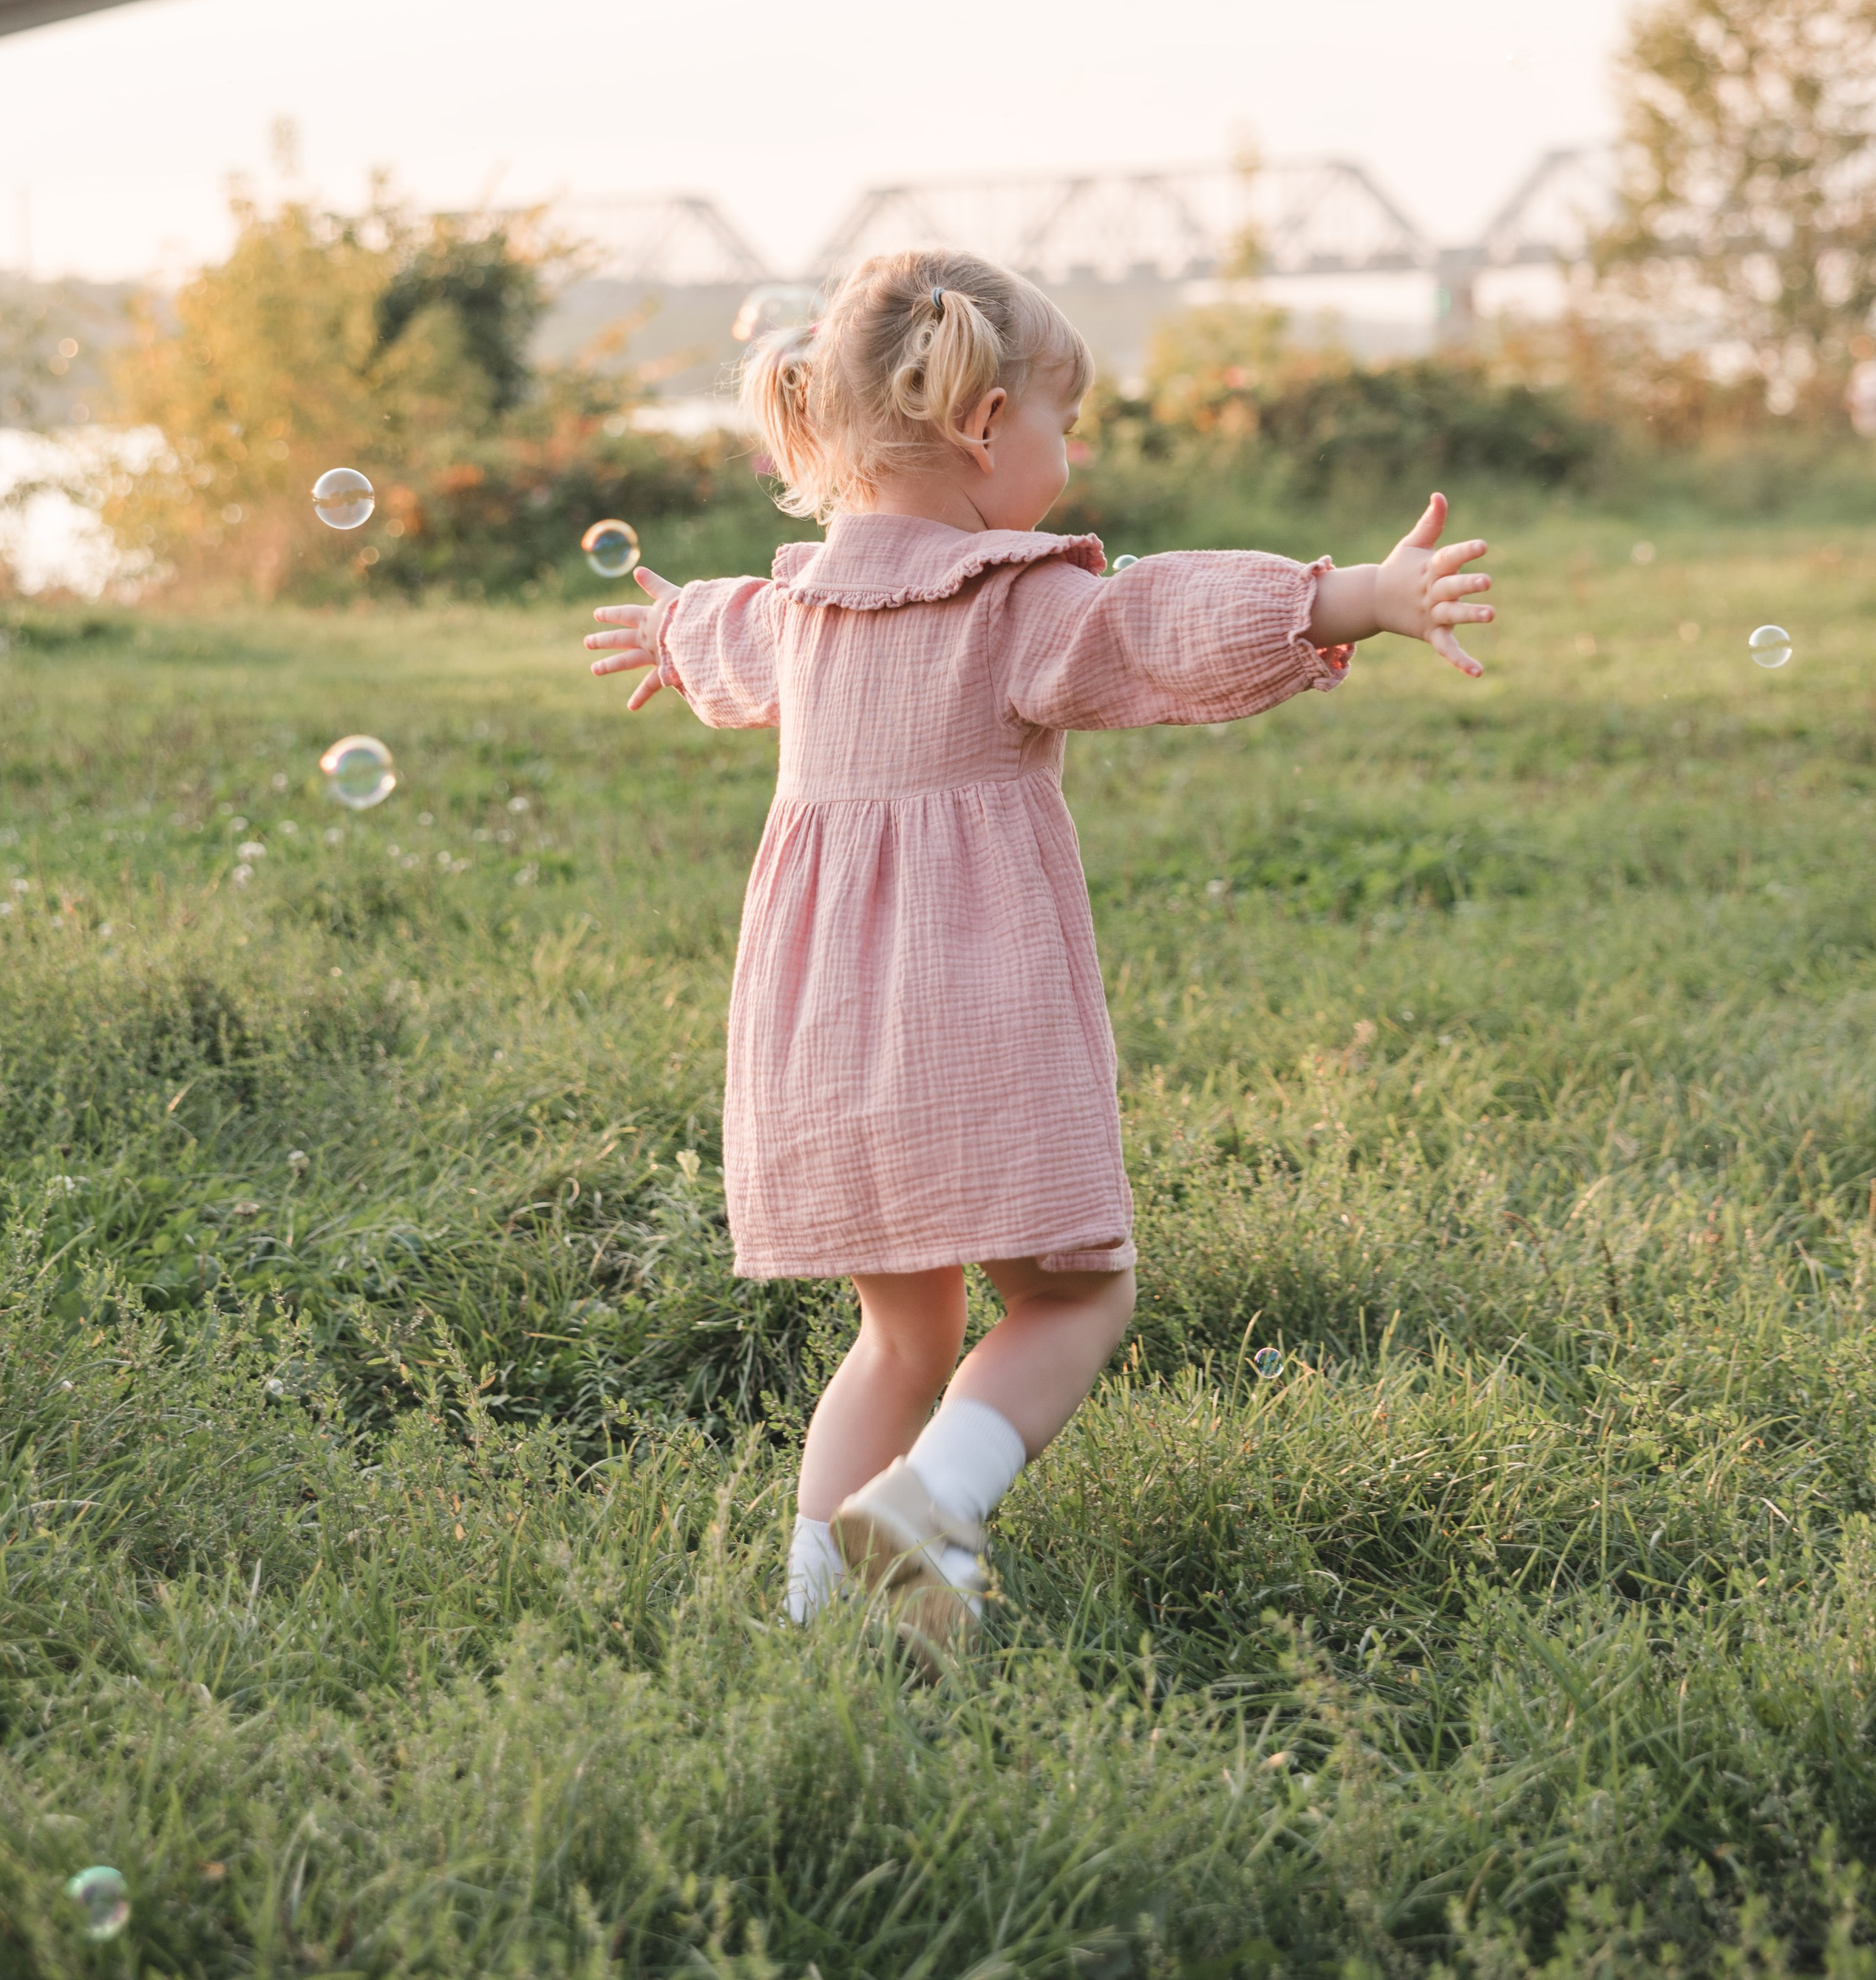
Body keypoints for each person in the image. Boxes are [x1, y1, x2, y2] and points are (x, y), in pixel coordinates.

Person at [584, 250, 1493, 1664]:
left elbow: (714, 630)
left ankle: (820, 1619)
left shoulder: (796, 612)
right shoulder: (1011, 605)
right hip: (975, 1029)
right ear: (985, 424)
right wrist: (1356, 597)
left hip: (822, 1044)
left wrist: (665, 628)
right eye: (1066, 424)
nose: (1070, 458)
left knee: (902, 1339)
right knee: (1074, 1296)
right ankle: (926, 1510)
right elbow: (1156, 621)